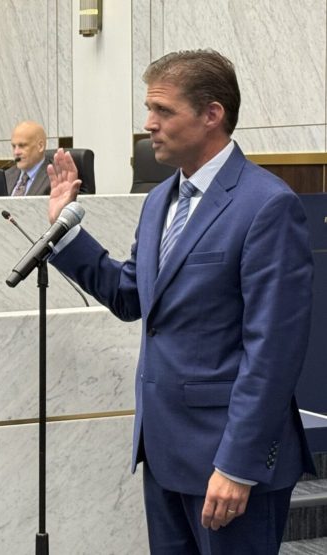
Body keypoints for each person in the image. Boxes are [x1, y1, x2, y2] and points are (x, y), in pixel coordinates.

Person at [46, 50, 314, 554]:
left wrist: (238, 464)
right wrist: (66, 233)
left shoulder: (267, 205)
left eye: (163, 111)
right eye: (149, 109)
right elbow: (131, 297)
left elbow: (273, 353)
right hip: (165, 454)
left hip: (229, 464)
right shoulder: (159, 201)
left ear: (212, 114)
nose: (148, 124)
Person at [5, 120, 51, 196]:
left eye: (22, 146)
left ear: (40, 146)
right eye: (13, 146)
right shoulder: (6, 176)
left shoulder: (55, 177)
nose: (16, 152)